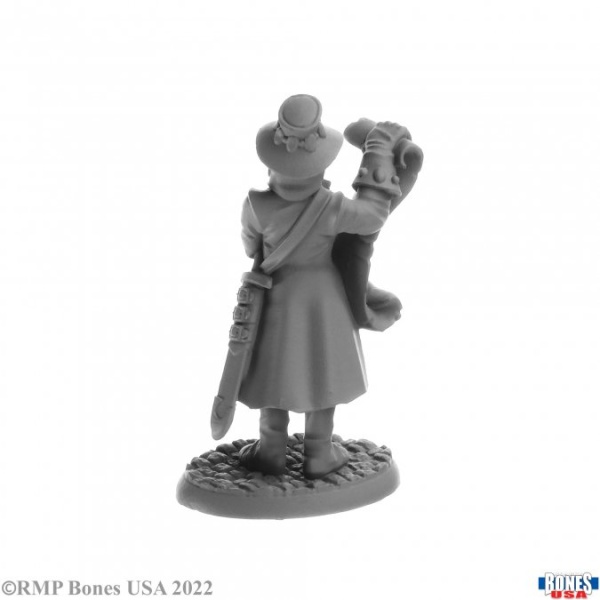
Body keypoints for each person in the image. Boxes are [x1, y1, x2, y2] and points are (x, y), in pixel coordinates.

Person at [237, 94, 408, 479]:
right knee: (321, 372)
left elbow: (251, 247)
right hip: (323, 300)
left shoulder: (255, 205)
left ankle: (271, 448)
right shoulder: (333, 207)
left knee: (275, 371)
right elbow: (372, 215)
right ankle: (318, 452)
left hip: (276, 296)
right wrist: (378, 150)